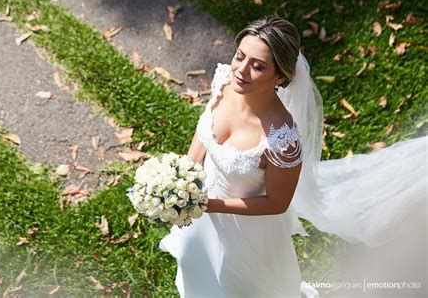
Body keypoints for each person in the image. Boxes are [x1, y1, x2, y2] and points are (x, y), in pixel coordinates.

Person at [159, 15, 427, 297]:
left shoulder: (281, 139)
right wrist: (182, 176)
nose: (241, 70)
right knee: (195, 265)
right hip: (200, 207)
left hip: (243, 232)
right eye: (240, 56)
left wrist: (210, 204)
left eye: (258, 66)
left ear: (280, 77)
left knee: (232, 286)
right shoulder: (226, 81)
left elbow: (276, 202)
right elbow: (205, 132)